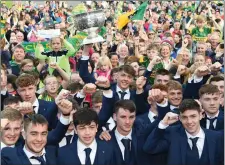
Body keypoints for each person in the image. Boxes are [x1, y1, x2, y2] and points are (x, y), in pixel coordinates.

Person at [144, 99, 224, 165]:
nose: (189, 121)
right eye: (185, 117)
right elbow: (149, 148)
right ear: (180, 118)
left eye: (193, 116)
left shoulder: (216, 137)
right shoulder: (173, 134)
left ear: (201, 115)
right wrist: (163, 124)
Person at [99, 100, 161, 165]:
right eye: (123, 117)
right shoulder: (105, 140)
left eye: (131, 117)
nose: (127, 121)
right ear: (114, 117)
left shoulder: (143, 137)